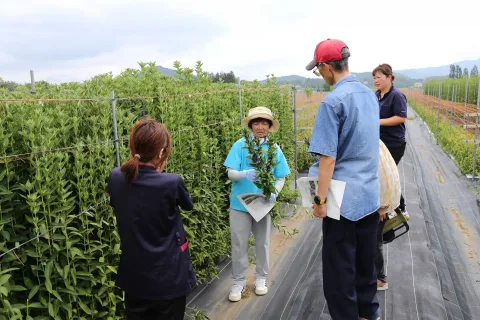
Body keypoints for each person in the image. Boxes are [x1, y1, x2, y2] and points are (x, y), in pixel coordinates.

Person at [305, 39, 381, 320]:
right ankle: (369, 314)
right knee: (365, 264)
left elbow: (327, 159)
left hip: (342, 202)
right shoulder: (369, 95)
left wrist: (320, 199)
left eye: (318, 69)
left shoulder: (333, 101)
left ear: (326, 67)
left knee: (339, 272)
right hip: (370, 196)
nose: (320, 75)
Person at [107, 118, 196, 320]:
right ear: (161, 152)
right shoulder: (171, 182)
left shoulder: (116, 177)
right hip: (169, 276)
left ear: (133, 147)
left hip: (135, 278)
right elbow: (188, 205)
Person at [223, 106, 291, 302]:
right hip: (240, 205)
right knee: (238, 244)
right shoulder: (240, 145)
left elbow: (281, 176)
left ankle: (261, 278)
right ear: (251, 125)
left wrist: (275, 192)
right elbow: (230, 172)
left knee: (262, 243)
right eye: (256, 123)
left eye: (264, 123)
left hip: (262, 205)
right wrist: (243, 174)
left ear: (269, 127)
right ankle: (239, 282)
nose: (260, 127)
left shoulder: (274, 149)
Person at [373, 63, 409, 221]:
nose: (375, 80)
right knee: (385, 174)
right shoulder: (376, 95)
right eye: (374, 77)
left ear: (389, 77)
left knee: (388, 174)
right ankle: (392, 206)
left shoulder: (396, 96)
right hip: (380, 144)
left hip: (394, 144)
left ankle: (401, 208)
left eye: (379, 77)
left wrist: (378, 122)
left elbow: (401, 117)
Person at [375, 139, 402, 292]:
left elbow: (385, 175)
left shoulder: (371, 143)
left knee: (373, 241)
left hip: (377, 203)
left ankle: (380, 278)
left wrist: (383, 206)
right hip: (370, 200)